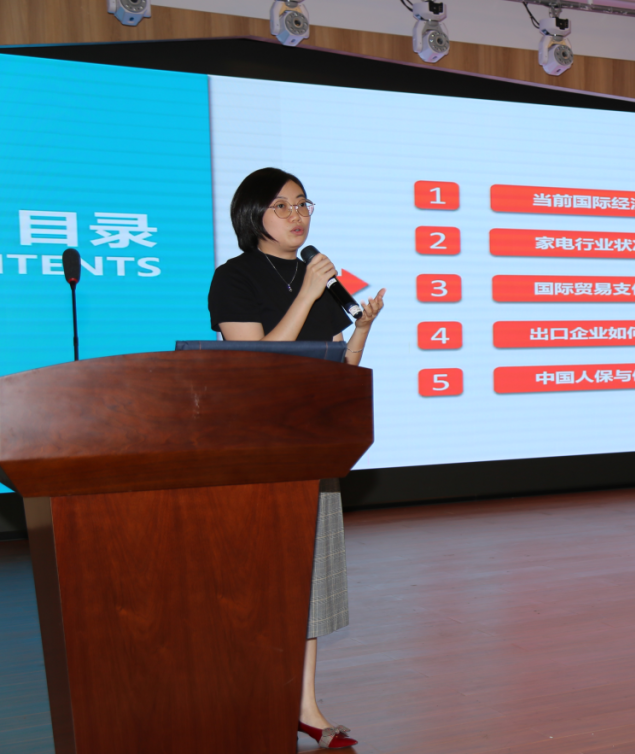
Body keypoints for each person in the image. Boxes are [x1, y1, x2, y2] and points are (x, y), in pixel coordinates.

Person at [208, 167, 385, 750]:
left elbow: (339, 370)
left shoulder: (321, 280)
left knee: (309, 577)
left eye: (303, 204)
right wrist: (308, 292)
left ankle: (305, 706)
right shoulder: (233, 278)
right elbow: (254, 361)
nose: (297, 215)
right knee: (257, 582)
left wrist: (361, 330)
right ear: (252, 215)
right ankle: (246, 698)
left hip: (310, 442)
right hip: (254, 449)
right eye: (282, 206)